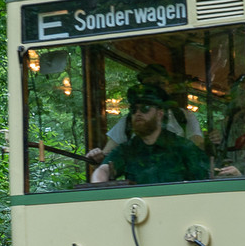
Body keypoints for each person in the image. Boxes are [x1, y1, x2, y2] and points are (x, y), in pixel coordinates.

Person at [91, 85, 233, 185]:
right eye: (134, 109)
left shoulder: (182, 147)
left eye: (145, 108)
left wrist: (232, 174)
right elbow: (103, 170)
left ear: (160, 114)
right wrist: (97, 184)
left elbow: (211, 174)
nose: (138, 113)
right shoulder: (127, 150)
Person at [85, 65, 203, 163]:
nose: (154, 89)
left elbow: (196, 151)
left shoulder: (184, 117)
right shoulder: (131, 120)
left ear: (168, 86)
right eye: (148, 85)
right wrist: (97, 158)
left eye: (158, 84)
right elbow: (107, 158)